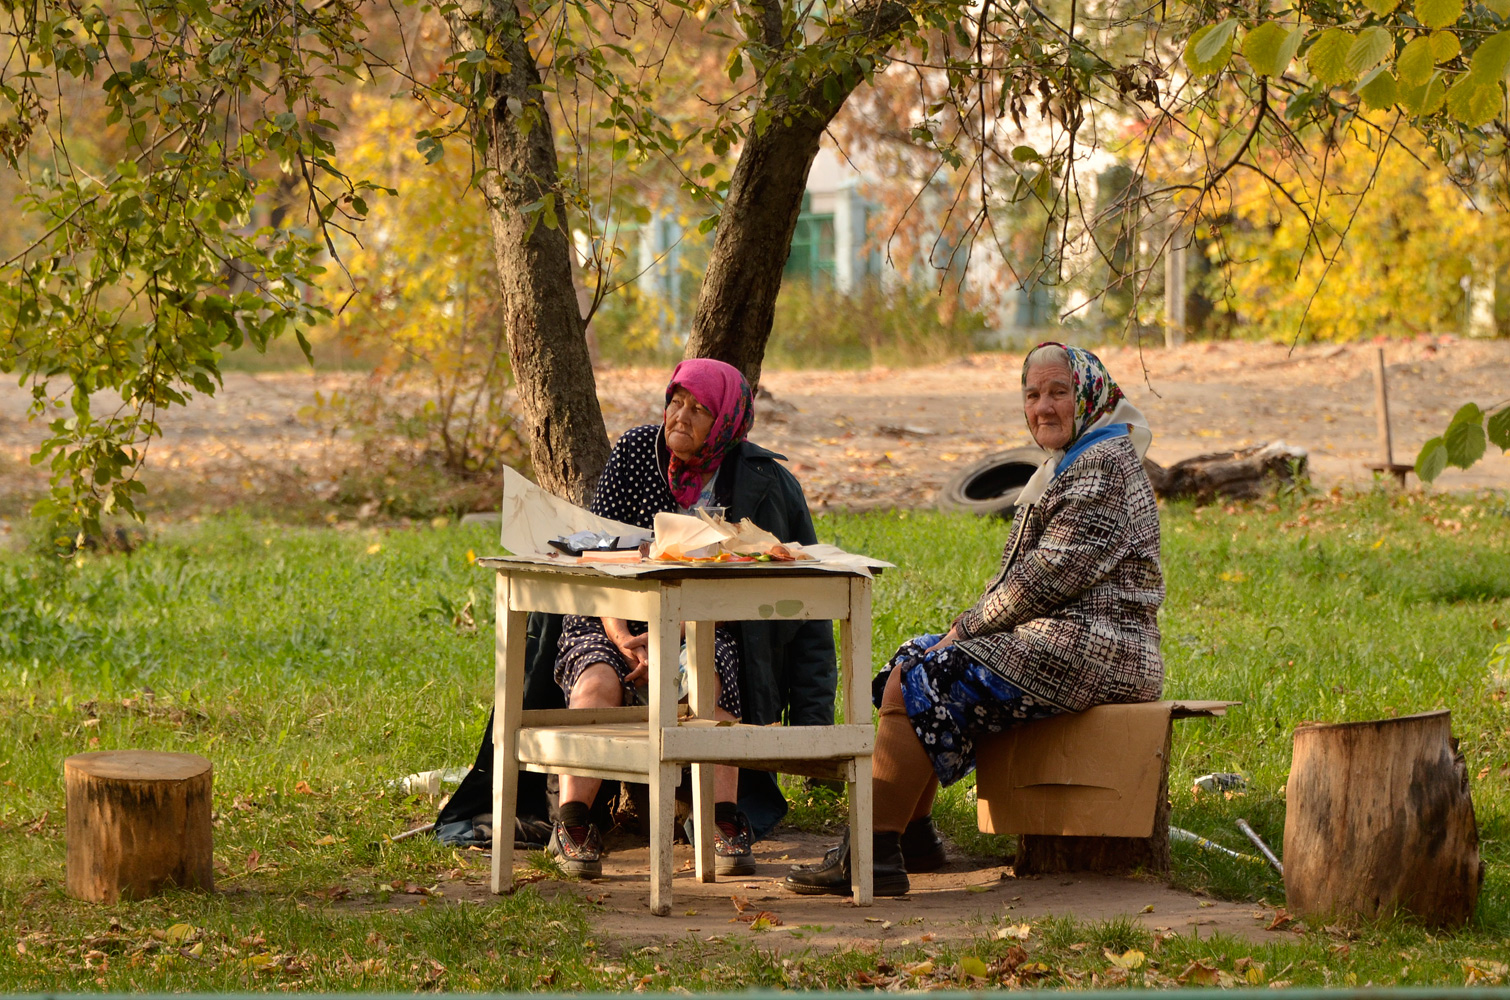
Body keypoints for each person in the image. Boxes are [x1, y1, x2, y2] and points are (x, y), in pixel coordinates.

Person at [783, 342, 1163, 896]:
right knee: (916, 655)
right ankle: (911, 838)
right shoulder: (1078, 458)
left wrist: (969, 626)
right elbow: (1034, 578)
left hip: (1100, 647)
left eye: (1059, 392)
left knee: (928, 675)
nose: (1044, 407)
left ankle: (869, 854)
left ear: (1088, 394)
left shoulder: (1102, 466)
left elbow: (1048, 576)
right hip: (1068, 639)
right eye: (1033, 395)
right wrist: (967, 629)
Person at [545, 357, 836, 878]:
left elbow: (771, 584)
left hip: (697, 622)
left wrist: (668, 634)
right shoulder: (637, 451)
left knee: (712, 679)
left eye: (699, 409)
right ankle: (572, 822)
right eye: (676, 402)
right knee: (596, 679)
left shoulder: (755, 481)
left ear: (725, 421)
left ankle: (718, 818)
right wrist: (624, 633)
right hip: (609, 612)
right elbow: (598, 548)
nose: (680, 416)